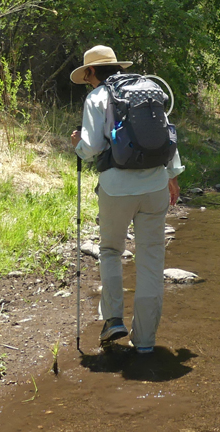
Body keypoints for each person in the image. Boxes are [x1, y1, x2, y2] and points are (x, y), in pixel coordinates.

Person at [69, 45, 182, 353]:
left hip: (116, 188)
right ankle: (145, 343)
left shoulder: (97, 97)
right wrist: (172, 175)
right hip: (156, 186)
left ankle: (114, 320)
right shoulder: (149, 89)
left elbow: (91, 148)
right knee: (150, 261)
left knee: (109, 250)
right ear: (117, 67)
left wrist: (79, 144)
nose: (88, 82)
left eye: (87, 76)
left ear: (92, 71)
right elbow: (166, 134)